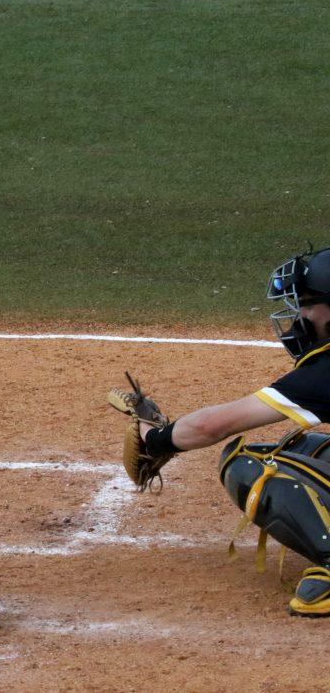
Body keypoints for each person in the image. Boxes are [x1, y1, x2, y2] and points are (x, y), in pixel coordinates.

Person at [110, 247, 330, 617]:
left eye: (307, 304)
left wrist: (156, 439)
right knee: (310, 449)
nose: (299, 316)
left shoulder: (322, 376)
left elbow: (216, 425)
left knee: (249, 465)